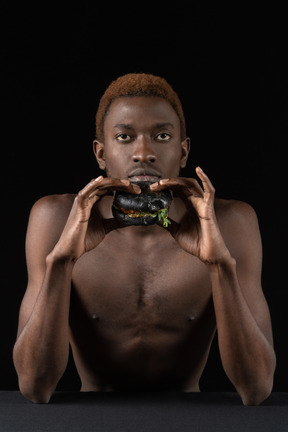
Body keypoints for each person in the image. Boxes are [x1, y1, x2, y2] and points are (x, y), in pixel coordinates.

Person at [13, 73, 276, 405]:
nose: (143, 153)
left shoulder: (232, 222)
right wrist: (61, 263)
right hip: (90, 419)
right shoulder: (53, 218)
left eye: (162, 136)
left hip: (190, 419)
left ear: (183, 152)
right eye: (124, 137)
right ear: (100, 153)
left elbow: (256, 388)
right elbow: (35, 386)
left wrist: (220, 266)